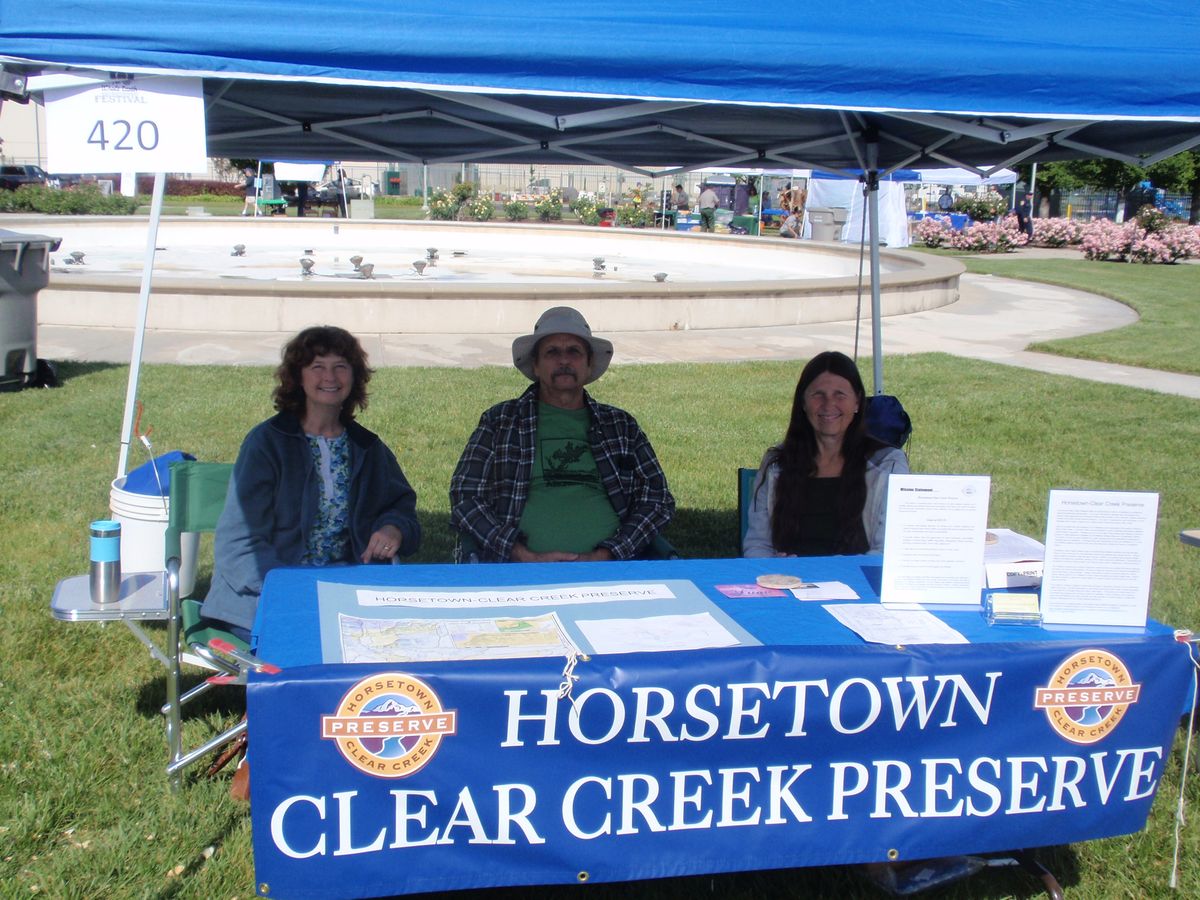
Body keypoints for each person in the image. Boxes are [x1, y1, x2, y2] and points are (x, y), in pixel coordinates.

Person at [200, 326, 421, 638]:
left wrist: (393, 528)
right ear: (297, 377)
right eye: (317, 367)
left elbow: (402, 507)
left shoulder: (367, 448)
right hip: (268, 594)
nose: (329, 378)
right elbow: (238, 543)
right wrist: (293, 589)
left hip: (345, 591)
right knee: (311, 643)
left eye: (340, 367)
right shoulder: (267, 444)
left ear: (354, 377)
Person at [450, 306, 675, 563]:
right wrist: (522, 555)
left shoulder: (621, 425)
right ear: (535, 365)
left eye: (574, 352)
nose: (564, 361)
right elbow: (465, 495)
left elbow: (657, 499)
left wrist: (610, 553)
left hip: (611, 573)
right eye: (552, 352)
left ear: (589, 364)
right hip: (519, 572)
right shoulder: (500, 421)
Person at [743, 351, 909, 558]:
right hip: (787, 584)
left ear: (857, 402)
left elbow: (888, 550)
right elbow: (758, 544)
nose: (828, 404)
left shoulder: (888, 464)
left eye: (840, 395)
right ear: (803, 402)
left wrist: (829, 574)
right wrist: (773, 571)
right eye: (818, 395)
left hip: (858, 584)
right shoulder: (777, 463)